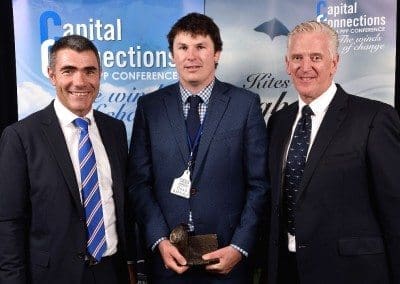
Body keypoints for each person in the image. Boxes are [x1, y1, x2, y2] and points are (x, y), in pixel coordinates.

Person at [127, 12, 268, 283]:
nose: (191, 56)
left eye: (201, 47)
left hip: (226, 258)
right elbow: (139, 183)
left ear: (217, 54)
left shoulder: (245, 105)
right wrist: (158, 240)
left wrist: (240, 247)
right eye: (183, 48)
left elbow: (259, 184)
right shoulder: (150, 107)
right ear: (172, 55)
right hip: (169, 260)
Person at [265, 20, 400, 284]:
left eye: (316, 57)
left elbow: (395, 212)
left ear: (334, 63)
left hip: (351, 272)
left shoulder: (375, 118)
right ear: (287, 64)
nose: (305, 67)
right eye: (297, 57)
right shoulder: (279, 122)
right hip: (286, 270)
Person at [0, 35, 135, 284]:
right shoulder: (20, 137)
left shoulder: (115, 130)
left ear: (100, 75)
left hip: (110, 272)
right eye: (68, 70)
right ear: (52, 75)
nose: (80, 81)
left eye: (89, 71)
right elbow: (9, 223)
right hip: (53, 276)